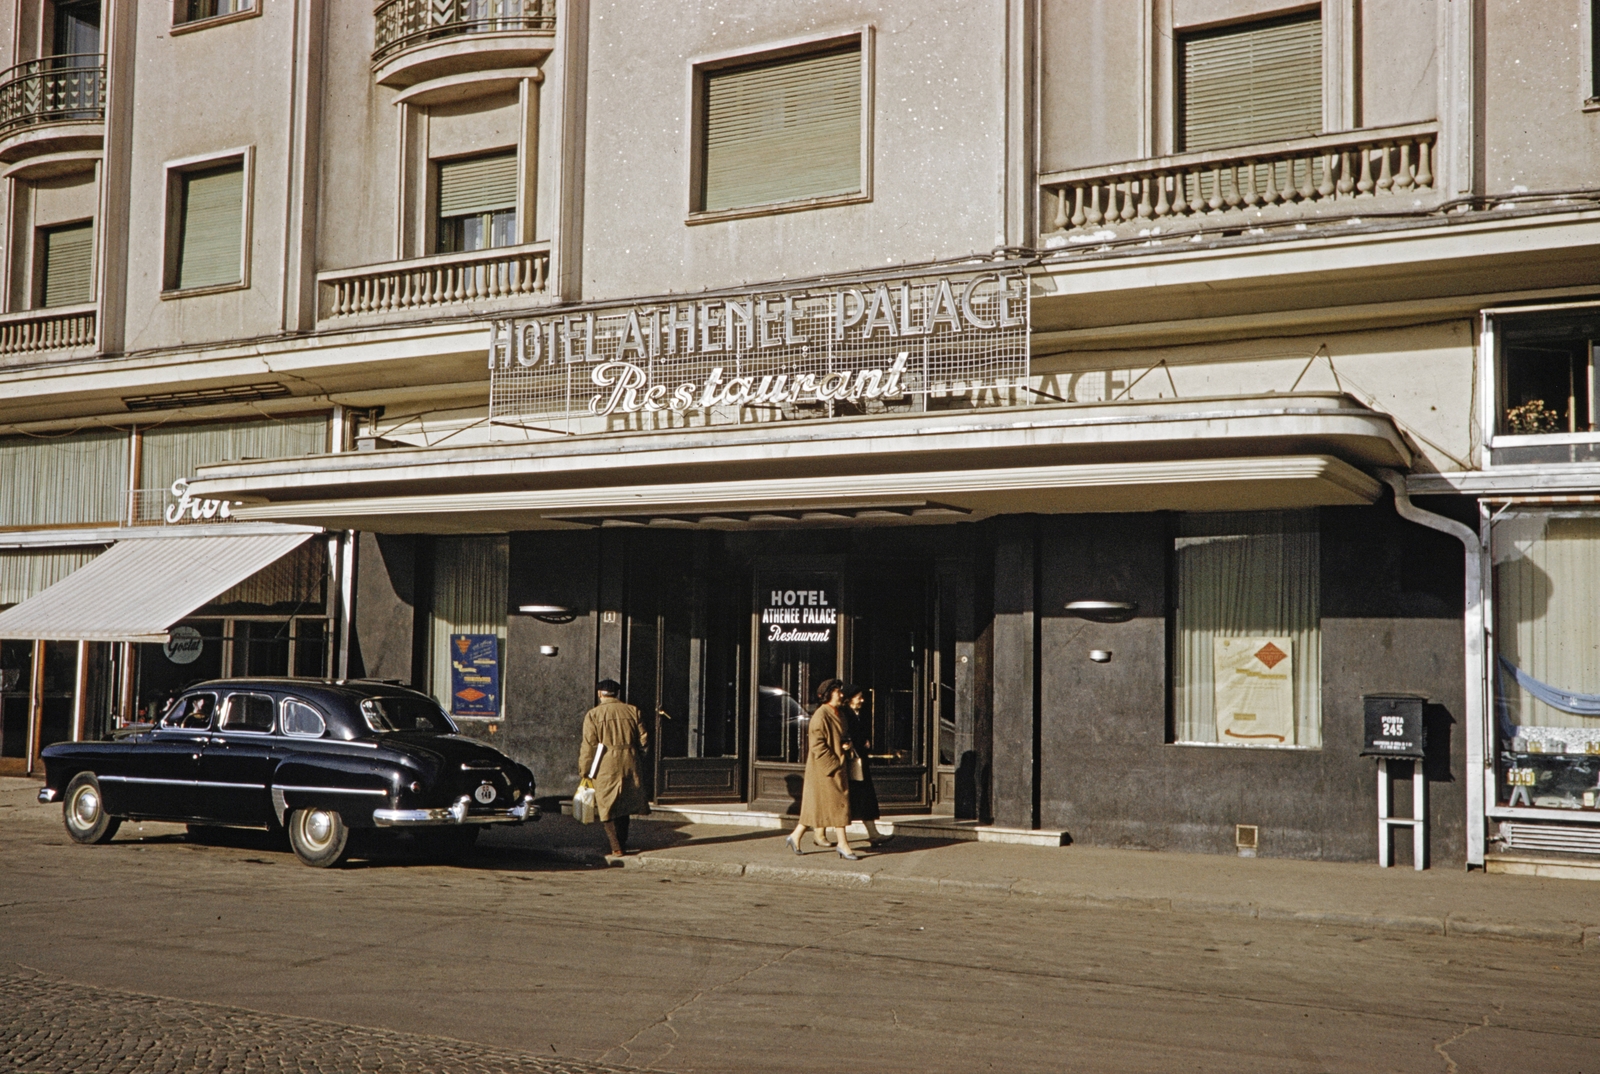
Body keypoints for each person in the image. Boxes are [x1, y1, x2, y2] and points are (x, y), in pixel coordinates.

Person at [785, 678, 859, 859]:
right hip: (825, 769)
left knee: (816, 808)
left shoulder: (838, 713)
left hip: (834, 766)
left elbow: (840, 736)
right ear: (828, 694)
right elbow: (817, 745)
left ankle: (795, 836)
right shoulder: (821, 715)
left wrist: (845, 745)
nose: (842, 695)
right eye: (838, 691)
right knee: (839, 803)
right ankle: (843, 844)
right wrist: (833, 764)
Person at [579, 678, 649, 858]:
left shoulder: (593, 715)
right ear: (617, 694)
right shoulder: (633, 711)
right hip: (630, 759)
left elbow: (589, 746)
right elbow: (644, 740)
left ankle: (616, 845)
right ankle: (623, 841)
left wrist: (584, 769)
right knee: (624, 803)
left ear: (600, 693)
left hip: (605, 762)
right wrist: (638, 756)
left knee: (606, 804)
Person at [817, 684, 891, 848]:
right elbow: (840, 735)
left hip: (857, 764)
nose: (862, 700)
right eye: (859, 697)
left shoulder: (857, 714)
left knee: (864, 798)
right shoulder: (843, 714)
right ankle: (819, 833)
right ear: (850, 699)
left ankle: (873, 833)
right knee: (835, 800)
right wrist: (851, 744)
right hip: (846, 763)